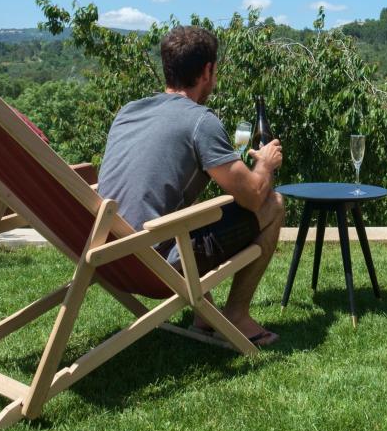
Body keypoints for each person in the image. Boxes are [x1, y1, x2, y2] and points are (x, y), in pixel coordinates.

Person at [98, 26, 284, 346]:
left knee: (189, 212)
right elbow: (253, 197)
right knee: (274, 204)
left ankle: (203, 312)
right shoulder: (200, 120)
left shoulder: (128, 112)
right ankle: (237, 316)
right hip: (155, 263)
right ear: (207, 71)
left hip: (106, 252)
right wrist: (265, 165)